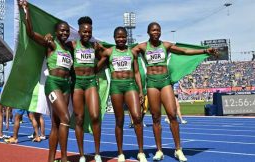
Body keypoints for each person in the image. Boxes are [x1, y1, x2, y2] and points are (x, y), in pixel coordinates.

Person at [132, 22, 218, 162]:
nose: (156, 32)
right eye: (153, 30)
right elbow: (125, 51)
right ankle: (159, 150)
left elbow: (184, 51)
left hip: (165, 82)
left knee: (172, 114)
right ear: (148, 32)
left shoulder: (165, 45)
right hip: (152, 83)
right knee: (155, 117)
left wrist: (204, 51)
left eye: (158, 30)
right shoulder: (142, 47)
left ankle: (178, 150)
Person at [20, 1, 73, 161]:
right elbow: (30, 33)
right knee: (65, 119)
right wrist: (26, 10)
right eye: (62, 31)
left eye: (67, 31)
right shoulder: (51, 43)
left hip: (66, 86)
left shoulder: (70, 48)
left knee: (57, 124)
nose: (65, 33)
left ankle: (50, 159)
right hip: (53, 84)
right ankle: (64, 158)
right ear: (56, 32)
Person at [97, 26, 147, 162]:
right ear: (114, 38)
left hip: (131, 85)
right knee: (119, 120)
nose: (121, 39)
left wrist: (141, 90)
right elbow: (97, 67)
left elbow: (137, 72)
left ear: (126, 38)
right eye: (118, 37)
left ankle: (141, 152)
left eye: (123, 36)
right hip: (116, 87)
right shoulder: (109, 52)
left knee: (137, 117)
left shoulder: (132, 53)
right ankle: (120, 153)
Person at [67, 16, 102, 162]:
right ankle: (81, 155)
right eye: (84, 32)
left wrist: (96, 69)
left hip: (90, 84)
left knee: (95, 116)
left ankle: (97, 153)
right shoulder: (73, 45)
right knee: (79, 119)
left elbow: (105, 57)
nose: (87, 34)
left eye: (89, 32)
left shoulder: (95, 47)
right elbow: (57, 45)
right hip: (77, 85)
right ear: (79, 31)